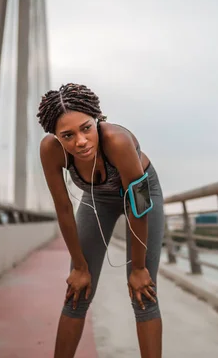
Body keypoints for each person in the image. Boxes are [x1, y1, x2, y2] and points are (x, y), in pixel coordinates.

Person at [37, 83, 164, 358]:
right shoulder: (50, 150)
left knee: (144, 294)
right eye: (67, 135)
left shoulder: (117, 141)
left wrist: (138, 268)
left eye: (86, 128)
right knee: (77, 292)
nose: (80, 141)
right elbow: (63, 208)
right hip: (98, 200)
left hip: (142, 196)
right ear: (55, 136)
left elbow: (138, 205)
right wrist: (80, 267)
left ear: (97, 119)